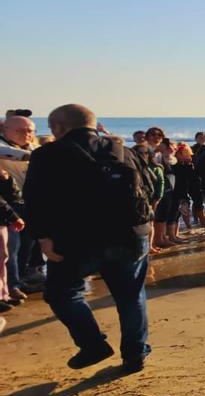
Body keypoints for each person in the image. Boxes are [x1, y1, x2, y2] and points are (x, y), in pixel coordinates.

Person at [23, 104, 154, 372]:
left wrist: (43, 237)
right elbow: (150, 188)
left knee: (62, 293)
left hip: (76, 239)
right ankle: (135, 353)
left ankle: (92, 344)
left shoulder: (47, 154)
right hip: (129, 235)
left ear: (59, 127)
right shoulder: (123, 150)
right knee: (130, 296)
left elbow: (35, 199)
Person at [1, 114, 38, 296]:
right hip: (7, 205)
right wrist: (38, 156)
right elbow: (12, 154)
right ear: (5, 130)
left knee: (26, 245)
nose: (26, 134)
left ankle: (20, 279)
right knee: (10, 247)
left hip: (29, 202)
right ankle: (12, 286)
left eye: (30, 131)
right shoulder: (3, 146)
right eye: (20, 130)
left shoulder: (34, 147)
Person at [0, 169, 26, 311]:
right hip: (5, 216)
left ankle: (5, 294)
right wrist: (13, 216)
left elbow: (13, 194)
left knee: (4, 257)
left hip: (3, 219)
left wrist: (6, 179)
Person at [151, 140, 179, 249]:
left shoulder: (173, 159)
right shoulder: (158, 157)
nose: (171, 149)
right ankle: (158, 240)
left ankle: (162, 238)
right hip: (159, 189)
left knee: (164, 215)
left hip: (169, 190)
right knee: (158, 216)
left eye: (173, 147)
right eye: (168, 147)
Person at [170, 143, 198, 241]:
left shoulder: (189, 165)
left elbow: (193, 178)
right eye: (180, 153)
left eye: (184, 153)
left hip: (185, 191)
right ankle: (173, 235)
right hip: (175, 190)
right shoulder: (173, 164)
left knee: (183, 212)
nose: (182, 155)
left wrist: (189, 164)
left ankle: (178, 233)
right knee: (174, 214)